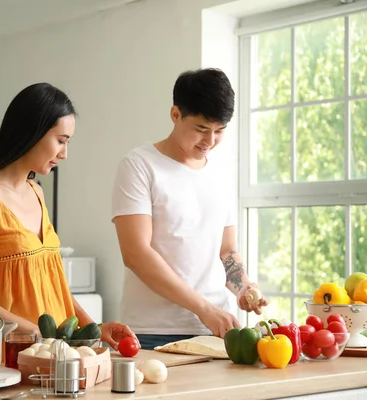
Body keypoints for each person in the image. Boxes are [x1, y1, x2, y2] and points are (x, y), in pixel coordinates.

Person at [0, 82, 137, 350]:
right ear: (30, 131)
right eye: (61, 141)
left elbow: (50, 281)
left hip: (53, 355)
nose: (64, 153)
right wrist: (32, 332)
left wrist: (93, 327)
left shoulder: (37, 192)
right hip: (9, 352)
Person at [111, 68, 268, 350]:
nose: (210, 141)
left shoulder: (220, 175)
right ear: (175, 115)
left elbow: (226, 251)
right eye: (201, 129)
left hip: (217, 330)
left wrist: (243, 286)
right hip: (153, 331)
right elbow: (135, 254)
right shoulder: (139, 165)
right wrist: (204, 309)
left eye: (219, 131)